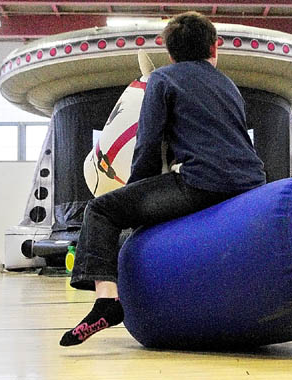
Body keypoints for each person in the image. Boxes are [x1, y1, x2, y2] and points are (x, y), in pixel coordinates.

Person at [60, 11, 267, 346]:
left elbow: (148, 144)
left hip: (202, 184)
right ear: (214, 48)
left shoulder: (162, 79)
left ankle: (106, 302)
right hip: (252, 184)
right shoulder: (228, 84)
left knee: (101, 210)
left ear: (169, 52)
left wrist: (134, 197)